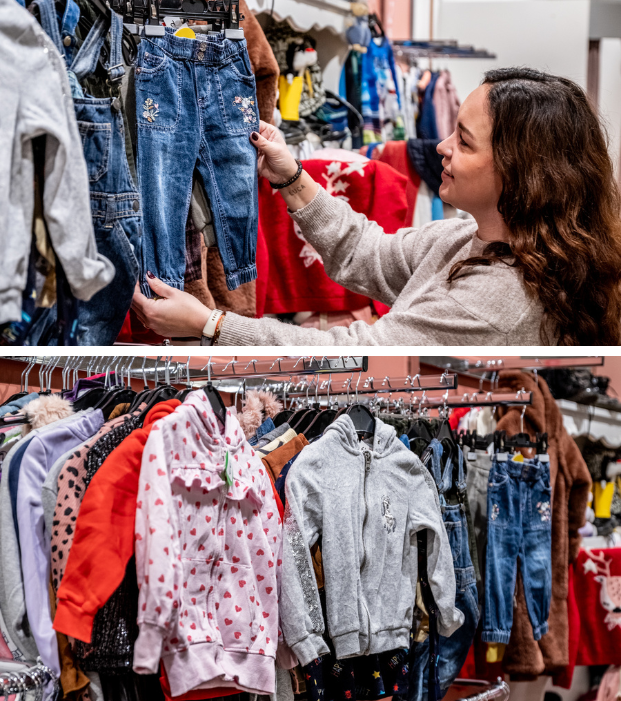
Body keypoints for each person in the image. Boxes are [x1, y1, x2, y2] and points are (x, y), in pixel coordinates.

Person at [132, 67, 621, 346]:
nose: (441, 147)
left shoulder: (500, 298)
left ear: (520, 172)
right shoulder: (467, 238)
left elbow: (358, 351)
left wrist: (211, 325)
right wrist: (291, 176)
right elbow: (366, 252)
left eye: (464, 141)